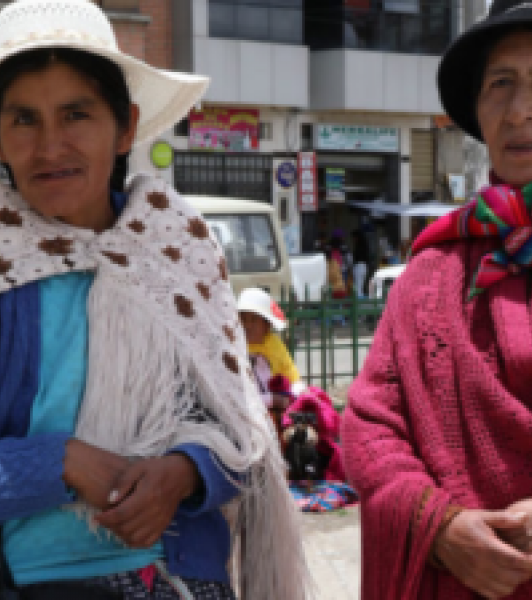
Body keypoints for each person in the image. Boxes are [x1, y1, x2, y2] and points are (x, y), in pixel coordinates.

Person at [0, 2, 308, 600]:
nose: (50, 144)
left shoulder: (175, 247)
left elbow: (239, 427)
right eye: (22, 119)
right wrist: (60, 462)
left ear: (125, 127)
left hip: (179, 575)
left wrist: (184, 472)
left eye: (76, 114)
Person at [342, 0, 532, 599]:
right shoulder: (436, 266)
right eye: (500, 84)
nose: (520, 110)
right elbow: (371, 423)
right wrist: (439, 528)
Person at [238, 287, 307, 409]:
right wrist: (273, 400)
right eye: (243, 319)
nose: (247, 325)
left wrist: (298, 393)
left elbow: (293, 377)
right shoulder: (234, 346)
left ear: (267, 324)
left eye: (254, 319)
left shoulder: (275, 344)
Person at [351, 227, 369, 298]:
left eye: (354, 237)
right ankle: (360, 302)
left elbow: (355, 258)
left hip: (359, 266)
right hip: (364, 267)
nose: (353, 239)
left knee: (358, 287)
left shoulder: (358, 246)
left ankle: (358, 304)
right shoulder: (365, 245)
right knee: (360, 286)